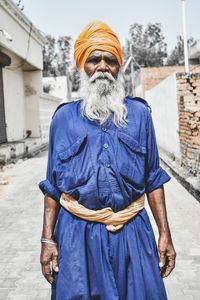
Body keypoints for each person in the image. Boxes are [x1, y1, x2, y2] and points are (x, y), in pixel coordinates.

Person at [39, 20, 176, 300]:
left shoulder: (139, 116)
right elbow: (52, 187)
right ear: (82, 67)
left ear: (119, 67)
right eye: (94, 60)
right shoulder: (63, 119)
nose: (102, 67)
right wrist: (46, 239)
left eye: (110, 60)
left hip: (132, 234)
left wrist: (165, 233)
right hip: (77, 237)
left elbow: (153, 179)